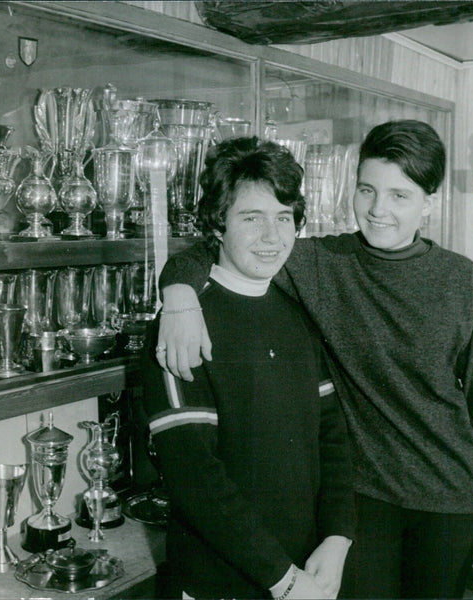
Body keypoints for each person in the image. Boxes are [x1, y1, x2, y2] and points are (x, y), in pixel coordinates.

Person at [156, 120, 473, 599]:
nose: (377, 210)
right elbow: (224, 240)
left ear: (429, 202)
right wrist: (179, 294)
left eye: (399, 195)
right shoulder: (321, 263)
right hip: (363, 502)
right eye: (367, 190)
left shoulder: (461, 280)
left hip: (449, 500)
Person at [140, 137, 355, 599]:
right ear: (217, 225)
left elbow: (333, 438)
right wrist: (284, 579)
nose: (272, 237)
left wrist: (337, 537)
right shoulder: (182, 324)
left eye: (283, 218)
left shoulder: (295, 314)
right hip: (221, 584)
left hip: (303, 575)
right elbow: (196, 479)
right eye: (251, 218)